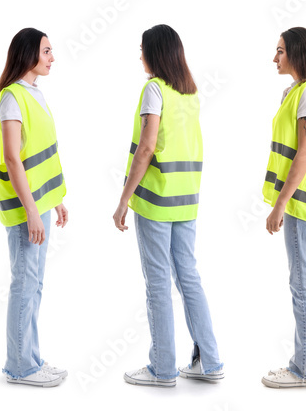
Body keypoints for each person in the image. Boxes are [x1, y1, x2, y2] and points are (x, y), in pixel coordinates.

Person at [113, 24, 223, 388]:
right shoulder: (189, 94)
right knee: (189, 277)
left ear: (156, 53)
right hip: (187, 200)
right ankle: (210, 361)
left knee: (158, 283)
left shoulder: (154, 90)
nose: (139, 54)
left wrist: (123, 200)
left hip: (156, 202)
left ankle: (162, 369)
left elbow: (146, 149)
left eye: (142, 47)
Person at [0, 27, 69, 388]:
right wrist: (33, 211)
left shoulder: (34, 93)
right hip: (26, 211)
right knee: (25, 282)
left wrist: (55, 200)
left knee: (34, 283)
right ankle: (20, 365)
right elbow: (12, 158)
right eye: (47, 51)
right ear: (29, 55)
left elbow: (38, 155)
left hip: (39, 206)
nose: (52, 57)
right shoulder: (13, 97)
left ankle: (31, 357)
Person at [261, 27, 306, 389]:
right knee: (304, 280)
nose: (275, 58)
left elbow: (304, 153)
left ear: (298, 54)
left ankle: (305, 369)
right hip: (298, 200)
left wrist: (281, 204)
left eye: (281, 51)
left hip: (300, 201)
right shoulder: (298, 92)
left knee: (302, 282)